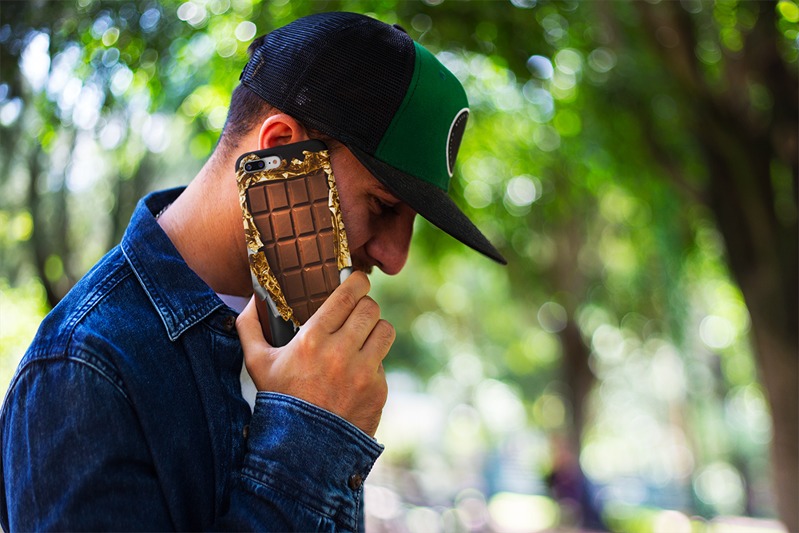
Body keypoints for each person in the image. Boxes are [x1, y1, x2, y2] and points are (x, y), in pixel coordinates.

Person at [0, 11, 505, 531]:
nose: (395, 258)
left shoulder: (306, 342)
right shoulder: (82, 369)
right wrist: (310, 433)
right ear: (281, 148)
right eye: (382, 205)